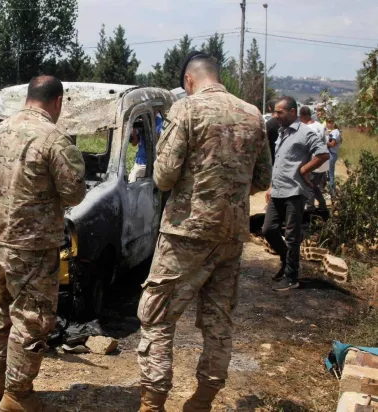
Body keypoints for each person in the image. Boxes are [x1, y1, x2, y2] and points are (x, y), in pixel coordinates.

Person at [137, 52, 272, 412]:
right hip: (231, 235)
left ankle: (153, 402)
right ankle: (202, 400)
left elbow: (164, 176)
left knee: (157, 316)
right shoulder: (253, 115)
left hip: (186, 231)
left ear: (189, 81)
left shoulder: (186, 110)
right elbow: (262, 178)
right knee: (218, 319)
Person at [0, 75, 86, 412]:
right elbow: (74, 192)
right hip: (34, 247)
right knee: (32, 318)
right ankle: (18, 394)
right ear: (57, 102)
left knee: (1, 310)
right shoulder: (53, 139)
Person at [262, 97, 330, 292]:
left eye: (280, 112)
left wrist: (304, 169)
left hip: (294, 191)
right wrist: (271, 186)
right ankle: (285, 259)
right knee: (268, 229)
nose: (276, 116)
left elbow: (323, 154)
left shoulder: (305, 132)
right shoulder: (282, 133)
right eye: (275, 112)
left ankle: (292, 277)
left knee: (292, 235)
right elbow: (280, 163)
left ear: (293, 112)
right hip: (278, 191)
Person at [299, 107, 328, 211]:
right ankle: (323, 205)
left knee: (309, 185)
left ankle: (310, 208)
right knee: (315, 186)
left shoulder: (307, 128)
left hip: (313, 162)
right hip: (322, 162)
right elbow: (325, 142)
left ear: (301, 116)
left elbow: (306, 148)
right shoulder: (320, 126)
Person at [326, 118, 342, 195]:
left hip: (332, 154)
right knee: (329, 173)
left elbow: (332, 144)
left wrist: (324, 142)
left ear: (332, 123)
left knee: (331, 174)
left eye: (328, 123)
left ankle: (332, 193)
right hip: (334, 154)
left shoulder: (334, 132)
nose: (326, 124)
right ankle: (331, 190)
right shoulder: (338, 132)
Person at [128, 118, 147, 183]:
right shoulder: (141, 127)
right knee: (130, 178)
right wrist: (134, 128)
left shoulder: (156, 123)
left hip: (144, 164)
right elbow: (134, 143)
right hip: (138, 162)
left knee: (132, 183)